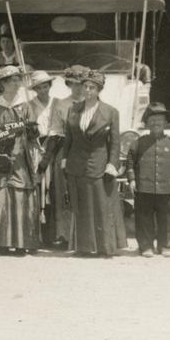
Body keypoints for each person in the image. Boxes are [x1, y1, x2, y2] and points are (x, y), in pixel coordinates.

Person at [62, 70, 126, 257]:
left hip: (99, 164)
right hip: (76, 164)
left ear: (99, 90)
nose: (88, 90)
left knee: (100, 206)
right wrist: (65, 160)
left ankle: (104, 247)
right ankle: (83, 247)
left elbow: (115, 142)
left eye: (92, 87)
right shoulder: (73, 109)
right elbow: (68, 138)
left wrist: (112, 164)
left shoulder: (110, 112)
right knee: (80, 206)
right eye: (86, 86)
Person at [0, 64, 41, 255]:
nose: (17, 84)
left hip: (20, 158)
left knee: (19, 192)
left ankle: (21, 242)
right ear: (3, 84)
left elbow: (33, 137)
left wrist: (32, 130)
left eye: (18, 80)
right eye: (13, 81)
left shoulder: (26, 107)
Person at [38, 64, 89, 246]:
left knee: (86, 193)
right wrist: (48, 157)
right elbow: (55, 130)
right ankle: (66, 235)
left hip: (87, 153)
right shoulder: (61, 104)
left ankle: (86, 236)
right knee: (64, 193)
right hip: (65, 152)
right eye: (74, 84)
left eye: (81, 84)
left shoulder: (93, 102)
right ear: (68, 84)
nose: (78, 87)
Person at [127, 105, 170, 258]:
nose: (156, 123)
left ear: (165, 122)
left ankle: (165, 245)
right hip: (144, 188)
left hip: (167, 189)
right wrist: (132, 180)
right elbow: (130, 163)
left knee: (166, 218)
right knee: (144, 217)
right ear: (147, 123)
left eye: (159, 120)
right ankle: (146, 246)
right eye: (152, 120)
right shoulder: (138, 143)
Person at [27, 70, 56, 243]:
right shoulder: (30, 105)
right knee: (38, 186)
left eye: (45, 86)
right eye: (39, 88)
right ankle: (36, 234)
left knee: (51, 188)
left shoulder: (56, 103)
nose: (43, 90)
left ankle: (51, 235)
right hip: (37, 147)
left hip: (53, 146)